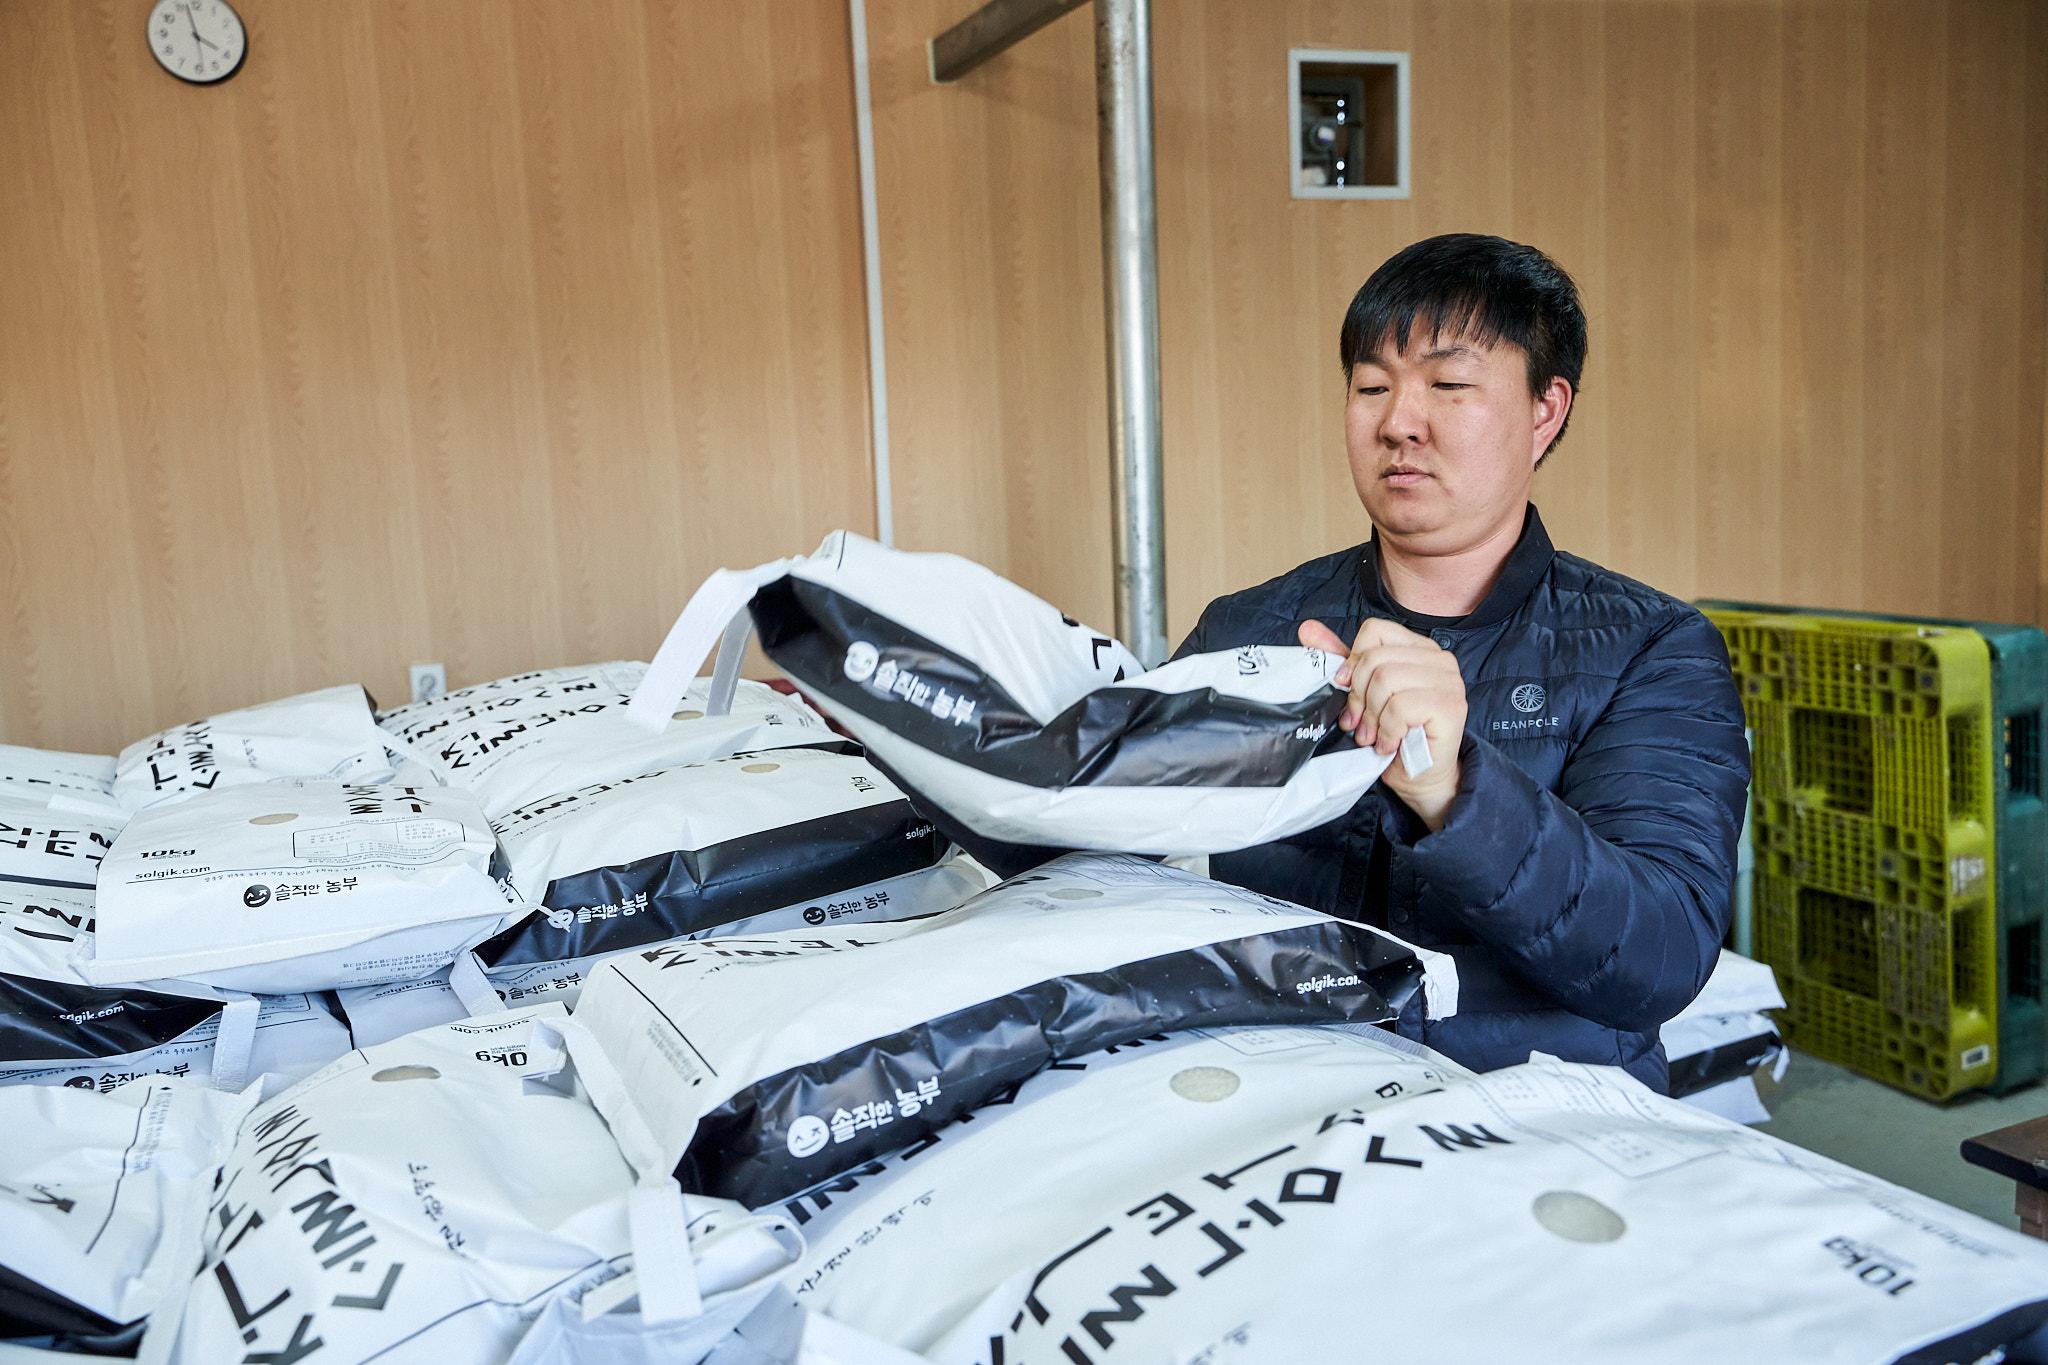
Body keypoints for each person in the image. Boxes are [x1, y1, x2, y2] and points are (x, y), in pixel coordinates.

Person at [1177, 233, 1750, 1092]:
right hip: (1281, 1101)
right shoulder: (1248, 628)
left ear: (1544, 411)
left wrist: (1454, 792)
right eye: (1371, 386)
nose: (1398, 422)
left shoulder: (1653, 648)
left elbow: (1658, 956)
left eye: (1447, 385)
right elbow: (1105, 843)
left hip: (1537, 1121)